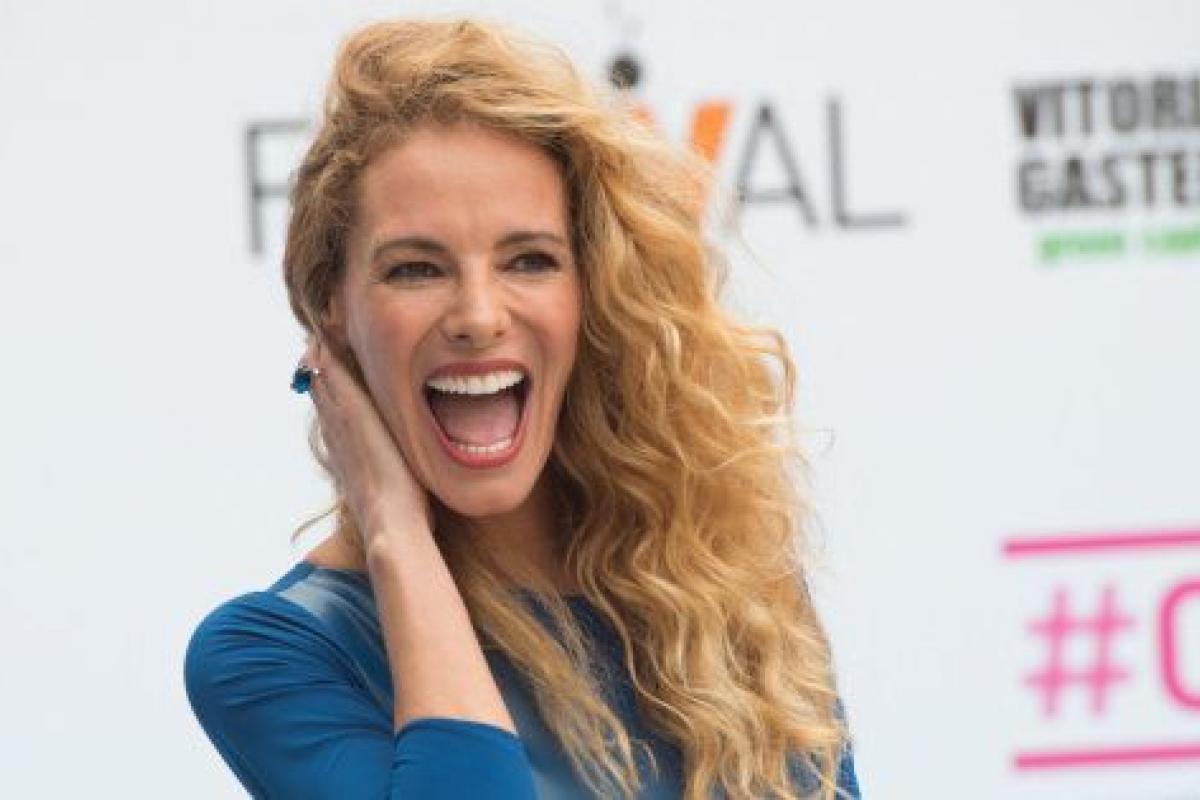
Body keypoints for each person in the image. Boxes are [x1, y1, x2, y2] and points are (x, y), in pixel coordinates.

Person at [184, 18, 862, 800]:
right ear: (331, 308)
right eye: (416, 269)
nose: (478, 316)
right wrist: (397, 534)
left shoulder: (719, 578)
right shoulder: (276, 654)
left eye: (529, 261)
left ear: (590, 289)